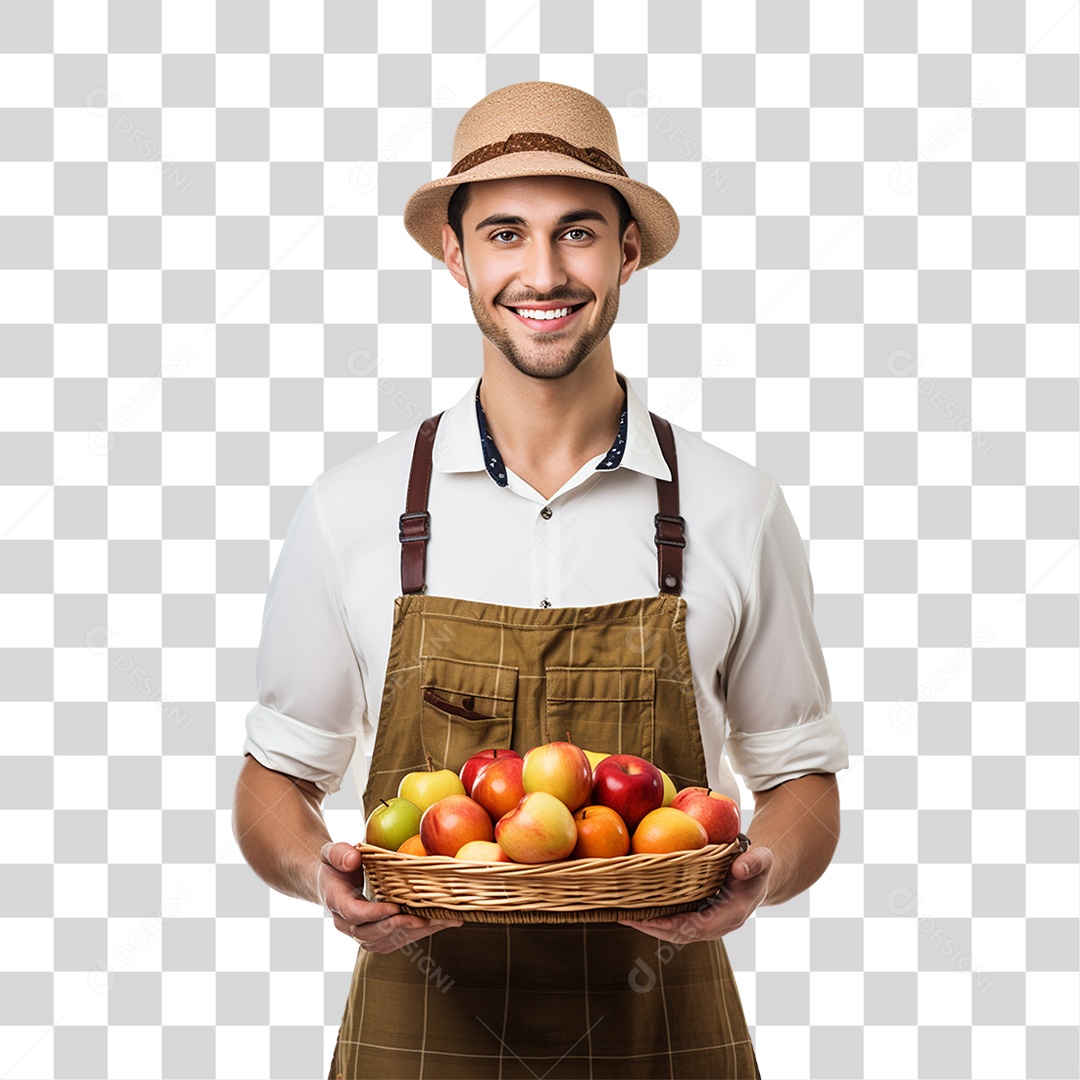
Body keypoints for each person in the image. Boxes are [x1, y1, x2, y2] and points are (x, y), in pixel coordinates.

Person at [234, 81, 849, 1079]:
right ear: (457, 255)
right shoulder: (353, 508)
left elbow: (801, 778)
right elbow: (276, 775)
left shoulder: (735, 507)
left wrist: (765, 868)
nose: (544, 270)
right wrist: (320, 873)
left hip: (666, 1036)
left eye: (578, 233)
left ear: (627, 252)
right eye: (507, 233)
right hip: (419, 1037)